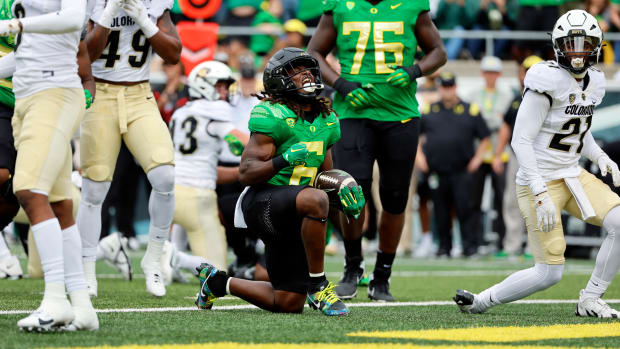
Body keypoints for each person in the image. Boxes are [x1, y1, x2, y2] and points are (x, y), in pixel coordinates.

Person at [455, 10, 620, 318]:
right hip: (540, 179)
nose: (579, 52)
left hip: (573, 174)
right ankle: (481, 301)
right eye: (572, 43)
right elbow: (520, 140)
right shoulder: (546, 79)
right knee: (549, 272)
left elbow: (577, 128)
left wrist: (599, 156)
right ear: (558, 46)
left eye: (586, 44)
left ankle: (591, 298)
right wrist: (540, 191)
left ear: (597, 46)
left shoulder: (595, 82)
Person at [195, 47, 364, 316]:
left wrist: (341, 193)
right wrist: (284, 159)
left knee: (287, 302)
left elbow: (322, 178)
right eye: (297, 71)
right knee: (314, 198)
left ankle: (218, 282)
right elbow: (246, 173)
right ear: (279, 79)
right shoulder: (270, 113)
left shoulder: (327, 119)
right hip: (263, 201)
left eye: (309, 70)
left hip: (299, 210)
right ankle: (319, 285)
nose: (307, 75)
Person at [307, 0, 446, 301]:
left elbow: (439, 52)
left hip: (401, 115)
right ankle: (352, 265)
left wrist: (414, 70)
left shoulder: (411, 6)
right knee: (349, 192)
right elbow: (313, 53)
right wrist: (341, 85)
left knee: (395, 199)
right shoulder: (339, 6)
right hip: (353, 114)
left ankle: (382, 276)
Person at [0, 0, 99, 331]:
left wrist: (16, 26)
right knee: (59, 205)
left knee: (28, 189)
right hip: (29, 95)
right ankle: (83, 307)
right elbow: (29, 53)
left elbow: (72, 18)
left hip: (53, 92)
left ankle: (56, 299)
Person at [79, 0, 182, 297]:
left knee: (164, 177)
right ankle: (86, 267)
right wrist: (108, 13)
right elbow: (88, 54)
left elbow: (173, 54)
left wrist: (145, 20)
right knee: (94, 188)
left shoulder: (154, 4)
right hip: (99, 93)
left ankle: (153, 258)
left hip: (140, 94)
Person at [170, 60, 249, 271]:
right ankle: (174, 258)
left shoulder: (181, 112)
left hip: (169, 192)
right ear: (204, 85)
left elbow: (205, 169)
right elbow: (250, 144)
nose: (225, 92)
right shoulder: (215, 111)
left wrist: (241, 173)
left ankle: (171, 255)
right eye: (220, 86)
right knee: (217, 272)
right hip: (198, 197)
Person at [417, 72, 491, 258]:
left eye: (450, 87)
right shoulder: (429, 110)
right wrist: (420, 159)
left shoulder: (470, 110)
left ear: (455, 87)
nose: (446, 91)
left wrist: (477, 160)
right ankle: (443, 247)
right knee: (440, 211)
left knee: (465, 209)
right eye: (443, 87)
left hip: (462, 169)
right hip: (436, 170)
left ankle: (470, 247)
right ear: (439, 88)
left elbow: (485, 137)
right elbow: (415, 137)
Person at [492, 55, 543, 258]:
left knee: (538, 201)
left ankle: (534, 247)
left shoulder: (550, 98)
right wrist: (498, 155)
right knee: (512, 201)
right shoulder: (516, 99)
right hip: (516, 158)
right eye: (526, 70)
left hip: (540, 158)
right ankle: (512, 244)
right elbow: (506, 127)